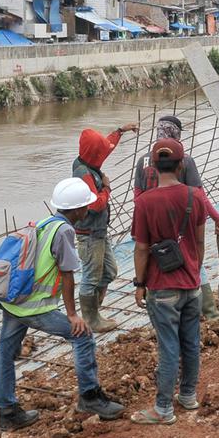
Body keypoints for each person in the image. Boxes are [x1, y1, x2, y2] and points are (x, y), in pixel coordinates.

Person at [0, 178, 125, 431]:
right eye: (85, 206)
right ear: (78, 210)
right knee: (83, 336)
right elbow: (67, 273)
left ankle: (7, 412)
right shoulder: (64, 231)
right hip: (35, 307)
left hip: (14, 302)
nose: (87, 210)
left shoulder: (42, 223)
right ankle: (90, 397)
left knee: (5, 352)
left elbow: (7, 259)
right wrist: (72, 315)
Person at [131, 138, 213, 425]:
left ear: (153, 167)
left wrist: (139, 284)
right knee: (191, 343)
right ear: (181, 166)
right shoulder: (195, 197)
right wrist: (194, 271)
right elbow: (200, 241)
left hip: (162, 287)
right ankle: (188, 395)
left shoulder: (144, 202)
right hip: (191, 285)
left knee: (168, 348)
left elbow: (141, 248)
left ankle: (163, 409)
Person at [134, 115, 219, 321]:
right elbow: (199, 195)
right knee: (192, 260)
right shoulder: (183, 160)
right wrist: (217, 217)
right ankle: (209, 310)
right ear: (175, 134)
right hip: (180, 223)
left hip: (151, 223)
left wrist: (144, 221)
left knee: (154, 263)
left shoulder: (143, 161)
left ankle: (161, 311)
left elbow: (137, 196)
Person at [72, 122, 138, 333]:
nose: (103, 155)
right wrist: (107, 187)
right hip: (89, 234)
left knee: (108, 272)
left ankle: (94, 311)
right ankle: (90, 319)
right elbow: (95, 204)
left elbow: (105, 147)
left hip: (99, 232)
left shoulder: (88, 162)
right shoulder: (83, 174)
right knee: (91, 277)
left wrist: (120, 131)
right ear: (93, 154)